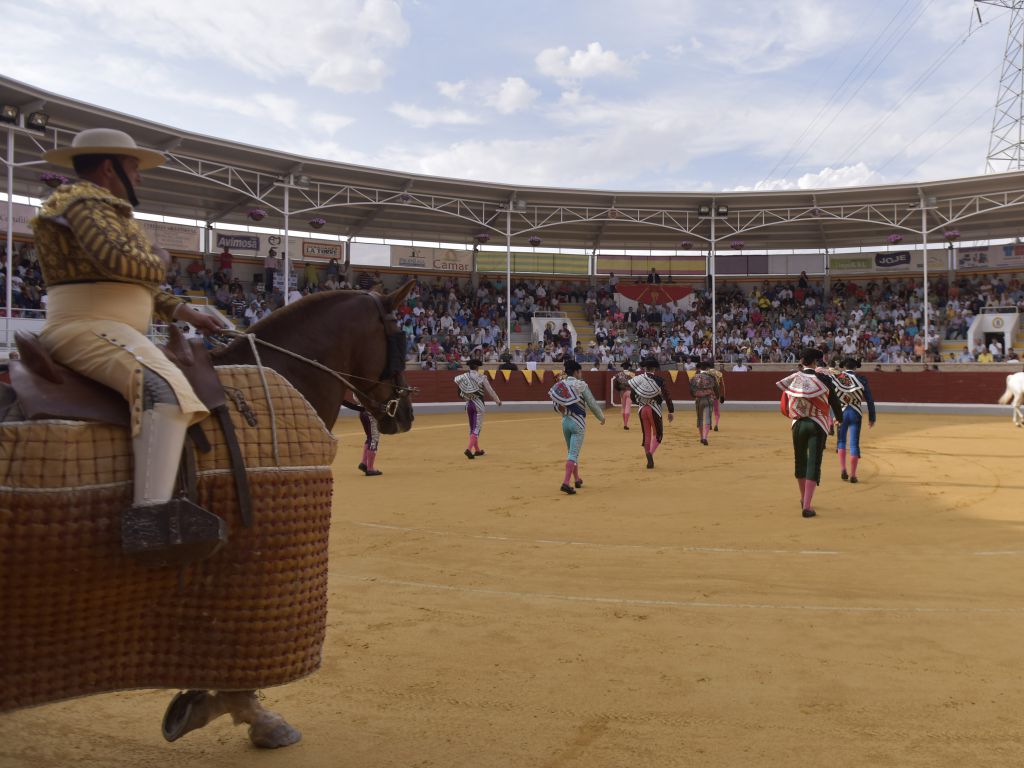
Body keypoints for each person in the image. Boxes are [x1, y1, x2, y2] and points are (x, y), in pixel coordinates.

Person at [31, 127, 225, 563]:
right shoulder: (85, 203)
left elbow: (136, 282)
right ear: (109, 167)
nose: (139, 177)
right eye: (134, 167)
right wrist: (162, 259)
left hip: (111, 325)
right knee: (164, 391)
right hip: (88, 324)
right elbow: (119, 261)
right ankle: (151, 519)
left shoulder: (98, 208)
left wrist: (187, 313)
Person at [776, 348, 844, 519]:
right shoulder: (823, 379)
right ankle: (807, 505)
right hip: (817, 424)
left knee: (800, 461)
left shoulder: (794, 379)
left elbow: (784, 404)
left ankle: (802, 497)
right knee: (813, 462)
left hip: (797, 424)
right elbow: (834, 400)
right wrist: (839, 418)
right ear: (815, 362)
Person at [549, 360, 605, 495]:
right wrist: (601, 417)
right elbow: (591, 403)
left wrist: (565, 412)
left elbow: (556, 406)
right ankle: (566, 483)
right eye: (580, 372)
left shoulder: (560, 385)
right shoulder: (581, 385)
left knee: (571, 452)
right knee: (573, 453)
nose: (581, 374)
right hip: (578, 423)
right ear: (576, 372)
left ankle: (577, 479)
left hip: (565, 422)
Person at [833, 357, 876, 483]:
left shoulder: (837, 379)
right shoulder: (861, 380)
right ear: (855, 368)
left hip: (841, 413)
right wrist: (872, 417)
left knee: (841, 441)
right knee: (853, 443)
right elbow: (869, 399)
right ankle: (853, 474)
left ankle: (843, 470)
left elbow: (831, 399)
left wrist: (833, 415)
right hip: (855, 413)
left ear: (844, 367)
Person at [628, 357, 675, 468]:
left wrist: (639, 402)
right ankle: (650, 453)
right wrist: (670, 411)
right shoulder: (659, 380)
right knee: (658, 434)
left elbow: (632, 396)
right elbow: (667, 396)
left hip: (642, 409)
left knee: (646, 434)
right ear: (654, 368)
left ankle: (647, 455)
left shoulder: (638, 379)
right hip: (654, 409)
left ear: (645, 368)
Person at [454, 358, 502, 459]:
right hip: (478, 405)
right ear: (477, 367)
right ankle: (468, 449)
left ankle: (477, 450)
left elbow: (459, 391)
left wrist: (467, 398)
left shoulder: (463, 377)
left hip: (468, 405)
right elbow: (490, 391)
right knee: (477, 428)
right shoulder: (481, 377)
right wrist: (497, 401)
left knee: (472, 428)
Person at [688, 360, 721, 446]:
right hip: (709, 399)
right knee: (707, 418)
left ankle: (701, 437)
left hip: (698, 399)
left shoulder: (694, 377)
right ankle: (705, 437)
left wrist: (694, 396)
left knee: (700, 419)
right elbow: (716, 389)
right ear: (707, 368)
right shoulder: (712, 377)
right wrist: (717, 396)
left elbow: (691, 389)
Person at [711, 363, 726, 431]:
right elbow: (723, 386)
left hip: (707, 395)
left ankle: (709, 424)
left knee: (708, 410)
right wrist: (723, 395)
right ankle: (716, 424)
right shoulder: (718, 374)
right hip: (715, 395)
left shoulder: (704, 374)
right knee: (716, 411)